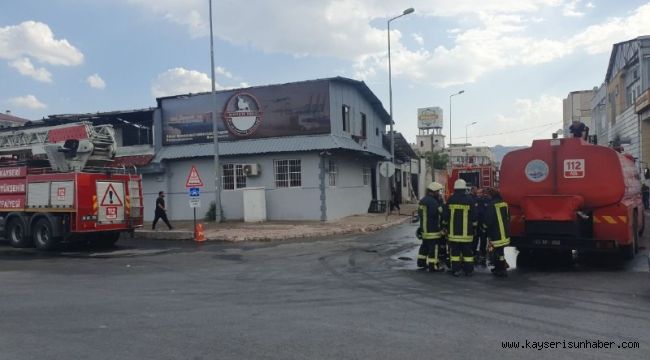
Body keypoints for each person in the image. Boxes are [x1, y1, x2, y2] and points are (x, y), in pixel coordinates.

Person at [443, 179, 478, 277]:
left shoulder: (450, 199)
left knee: (455, 253)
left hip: (453, 233)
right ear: (464, 188)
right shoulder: (470, 199)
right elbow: (474, 216)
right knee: (467, 252)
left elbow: (445, 215)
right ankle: (469, 270)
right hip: (467, 233)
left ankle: (456, 270)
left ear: (455, 188)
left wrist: (444, 226)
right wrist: (474, 227)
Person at [417, 182, 446, 271]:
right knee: (433, 248)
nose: (439, 193)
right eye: (438, 191)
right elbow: (437, 213)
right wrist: (441, 205)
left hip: (424, 229)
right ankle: (433, 266)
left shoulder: (423, 200)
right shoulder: (433, 202)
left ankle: (421, 263)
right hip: (432, 229)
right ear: (434, 191)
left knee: (424, 245)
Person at [482, 188, 510, 277]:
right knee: (500, 252)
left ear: (491, 196)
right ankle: (502, 268)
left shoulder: (491, 205)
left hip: (496, 233)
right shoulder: (504, 204)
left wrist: (483, 228)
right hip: (504, 233)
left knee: (496, 251)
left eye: (488, 195)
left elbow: (488, 220)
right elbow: (508, 217)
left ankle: (499, 269)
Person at [473, 188, 490, 266]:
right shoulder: (474, 200)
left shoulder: (487, 200)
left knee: (483, 240)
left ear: (483, 193)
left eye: (480, 193)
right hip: (476, 224)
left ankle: (483, 255)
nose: (478, 194)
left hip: (483, 224)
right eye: (477, 193)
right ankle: (475, 254)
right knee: (475, 240)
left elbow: (487, 213)